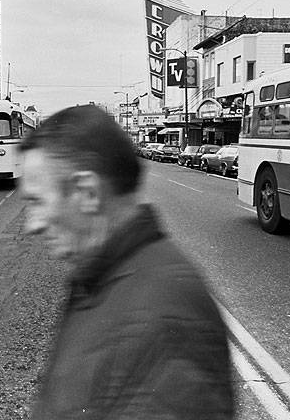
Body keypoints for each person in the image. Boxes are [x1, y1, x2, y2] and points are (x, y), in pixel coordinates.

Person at [21, 105, 233, 419]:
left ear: (87, 193)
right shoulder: (100, 278)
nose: (32, 224)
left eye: (38, 201)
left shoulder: (165, 323)